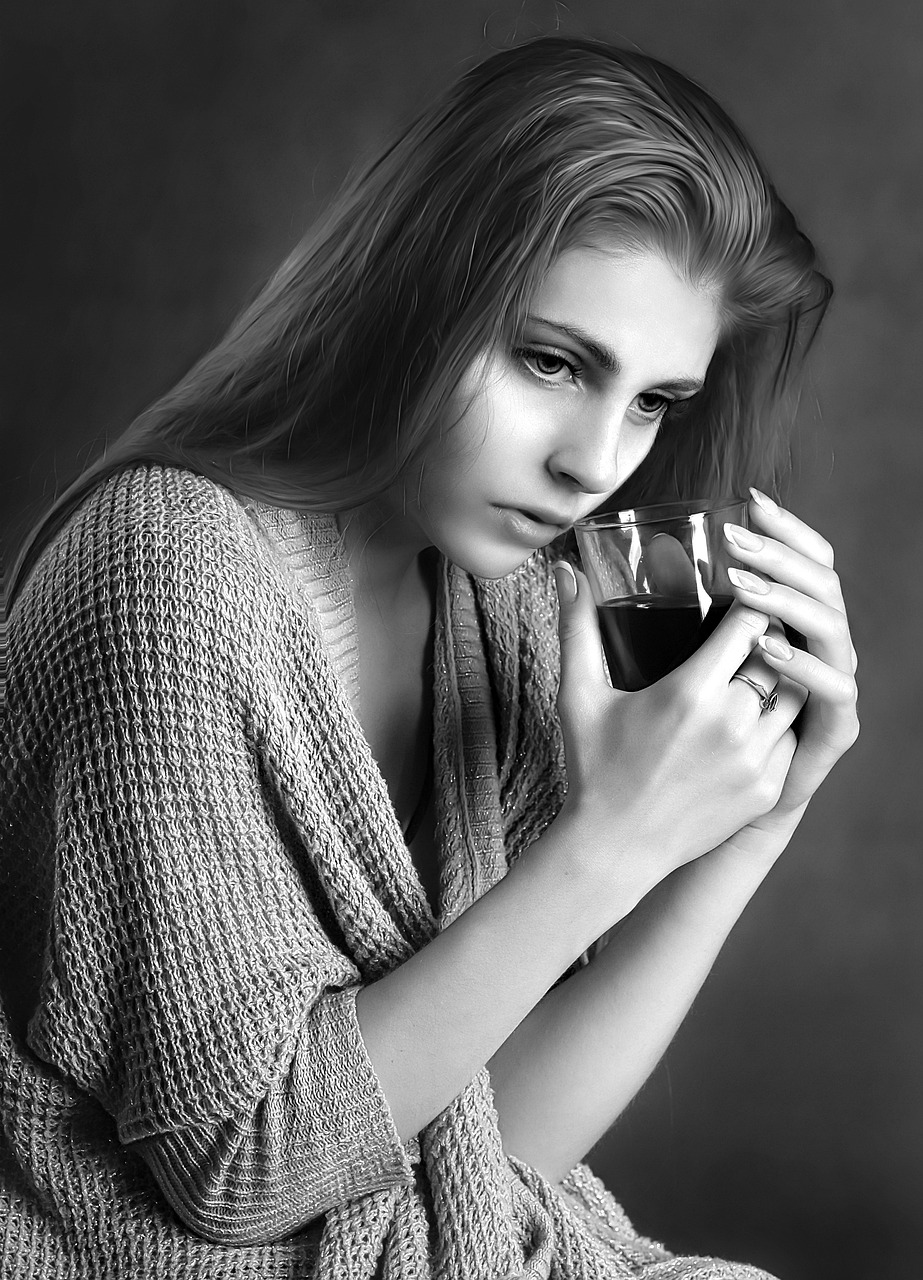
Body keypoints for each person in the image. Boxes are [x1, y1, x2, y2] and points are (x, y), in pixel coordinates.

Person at [0, 36, 858, 1280]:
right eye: (550, 361)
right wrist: (607, 843)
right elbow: (243, 1170)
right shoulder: (164, 572)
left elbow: (488, 1144)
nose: (592, 462)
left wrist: (738, 836)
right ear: (411, 297)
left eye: (652, 401)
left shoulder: (507, 605)